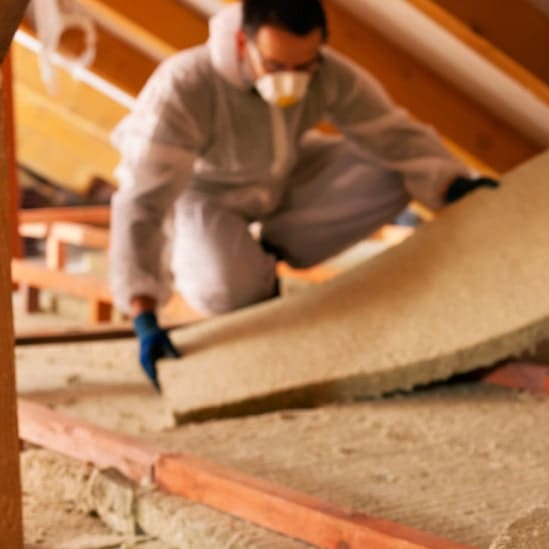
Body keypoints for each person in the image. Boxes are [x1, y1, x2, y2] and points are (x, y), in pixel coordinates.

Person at [109, 0, 497, 389]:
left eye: (303, 67)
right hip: (204, 192)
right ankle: (248, 276)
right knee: (228, 288)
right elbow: (142, 200)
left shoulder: (327, 73)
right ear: (244, 43)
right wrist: (143, 312)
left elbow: (391, 133)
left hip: (283, 173)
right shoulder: (185, 84)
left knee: (394, 169)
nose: (290, 79)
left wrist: (454, 183)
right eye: (276, 66)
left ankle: (271, 252)